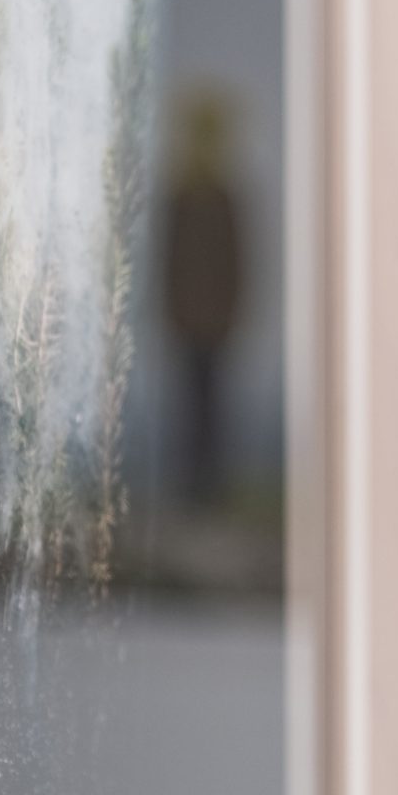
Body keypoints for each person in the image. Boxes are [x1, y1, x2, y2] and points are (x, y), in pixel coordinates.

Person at [160, 86, 248, 506]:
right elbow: (170, 261)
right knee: (193, 405)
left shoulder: (220, 197)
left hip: (212, 324)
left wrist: (228, 311)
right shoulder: (183, 197)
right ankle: (195, 484)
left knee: (211, 405)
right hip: (192, 322)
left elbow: (235, 263)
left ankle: (209, 484)